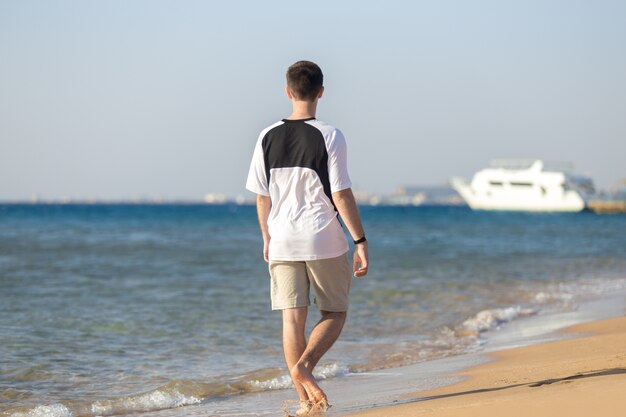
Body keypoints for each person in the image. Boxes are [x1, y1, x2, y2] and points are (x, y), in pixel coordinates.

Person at [246, 60, 369, 415]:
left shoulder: (266, 135)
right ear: (320, 92)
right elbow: (342, 194)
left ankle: (304, 401)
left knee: (291, 320)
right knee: (335, 312)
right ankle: (305, 368)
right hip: (322, 237)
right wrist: (360, 241)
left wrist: (266, 237)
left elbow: (262, 196)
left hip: (281, 239)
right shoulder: (330, 135)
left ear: (288, 92)